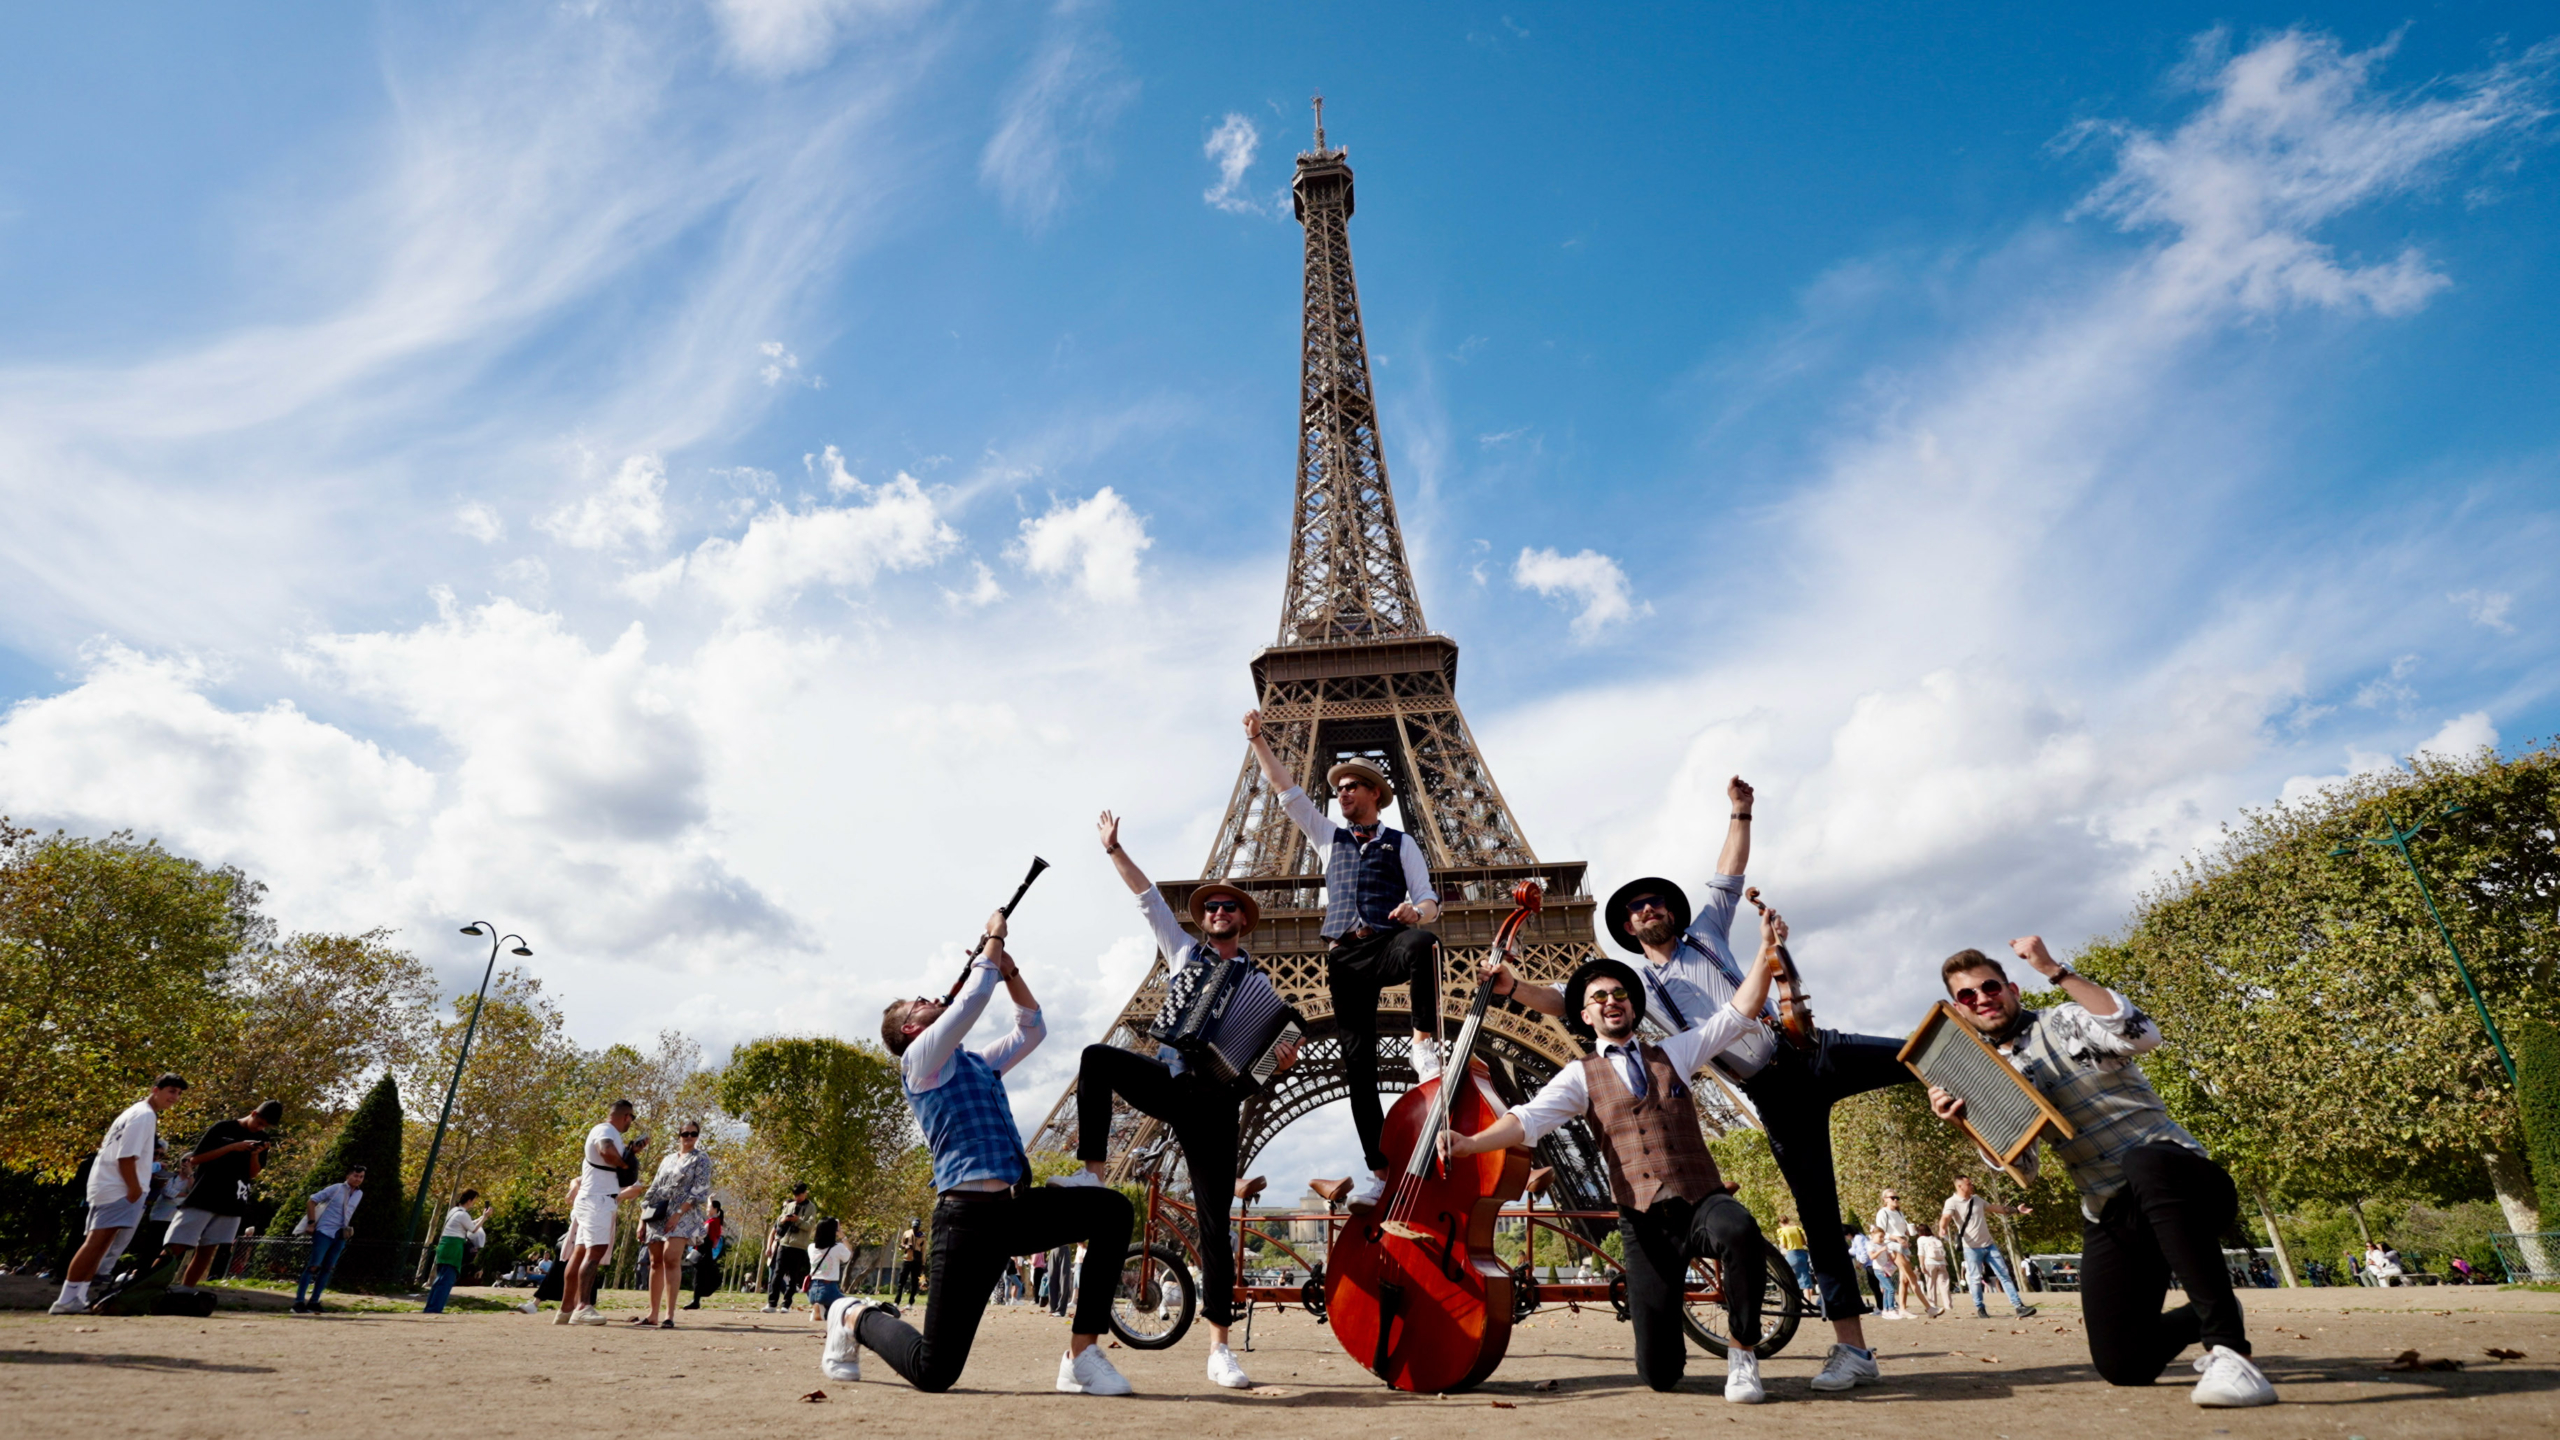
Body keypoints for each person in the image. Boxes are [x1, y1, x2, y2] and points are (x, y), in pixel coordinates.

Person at [1482, 779, 1900, 1392]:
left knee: (1922, 1053)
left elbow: (1727, 873)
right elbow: (1570, 1001)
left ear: (1672, 911)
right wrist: (1514, 989)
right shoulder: (1633, 989)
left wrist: (1741, 811)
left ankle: (2023, 1062)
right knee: (1818, 1211)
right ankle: (1853, 1350)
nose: (1649, 908)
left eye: (1656, 901)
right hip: (1771, 1090)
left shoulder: (1708, 929)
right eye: (1637, 907)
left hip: (1810, 1048)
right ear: (1627, 926)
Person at [1928, 937, 2275, 1407]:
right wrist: (1967, 1125)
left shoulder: (2065, 1020)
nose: (1982, 998)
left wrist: (2055, 970)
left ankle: (2230, 1349)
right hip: (2114, 1214)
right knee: (2123, 1364)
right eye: (1968, 996)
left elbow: (2143, 1035)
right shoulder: (1989, 1075)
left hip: (2184, 1182)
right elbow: (2022, 1169)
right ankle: (2208, 1308)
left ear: (2012, 988)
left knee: (2144, 1161)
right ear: (1959, 1008)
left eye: (1990, 987)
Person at [1442, 937, 1787, 1402]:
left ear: (1632, 1007)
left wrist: (1765, 949)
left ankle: (1742, 1351)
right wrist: (1470, 1144)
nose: (1611, 1001)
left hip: (1698, 1198)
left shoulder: (1675, 1053)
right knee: (1660, 1374)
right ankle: (1667, 1353)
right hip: (1643, 1220)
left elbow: (1737, 1013)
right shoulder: (1578, 1075)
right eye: (1599, 997)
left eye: (1619, 994)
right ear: (1583, 1015)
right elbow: (1527, 1120)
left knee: (1739, 1226)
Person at [822, 907, 1135, 1396]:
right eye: (918, 1003)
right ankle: (854, 1314)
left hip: (1016, 1209)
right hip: (965, 1221)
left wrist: (1007, 967)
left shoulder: (975, 1062)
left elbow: (1033, 1029)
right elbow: (971, 1004)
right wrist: (991, 942)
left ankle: (1081, 1356)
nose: (930, 999)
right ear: (909, 1030)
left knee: (1113, 1210)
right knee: (934, 1371)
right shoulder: (919, 1063)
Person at [1051, 809, 1302, 1390]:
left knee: (1214, 1226)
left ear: (1244, 921)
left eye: (1228, 908)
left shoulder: (1264, 988)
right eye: (1211, 907)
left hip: (1217, 1101)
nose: (1219, 913)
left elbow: (1266, 1058)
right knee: (1096, 1057)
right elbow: (1149, 901)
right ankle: (1093, 1173)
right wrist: (1115, 851)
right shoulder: (1184, 953)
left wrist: (1277, 1062)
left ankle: (1219, 1349)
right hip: (1173, 1081)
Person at [1243, 710, 1441, 1208]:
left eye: (1353, 786)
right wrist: (1259, 741)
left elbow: (1429, 902)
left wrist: (1414, 913)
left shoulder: (1402, 843)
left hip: (1387, 942)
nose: (1344, 793)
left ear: (1375, 793)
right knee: (1358, 1069)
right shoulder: (1327, 837)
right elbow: (1288, 793)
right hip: (1344, 956)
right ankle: (1379, 1173)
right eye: (1340, 788)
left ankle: (1423, 1043)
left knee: (1424, 945)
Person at [51, 1075, 189, 1314]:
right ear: (155, 1089)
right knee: (95, 1242)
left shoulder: (137, 1112)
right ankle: (65, 1299)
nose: (174, 1097)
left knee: (101, 1244)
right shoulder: (144, 1115)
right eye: (171, 1091)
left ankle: (77, 1297)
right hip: (119, 1188)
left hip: (111, 1185)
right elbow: (126, 1156)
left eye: (178, 1093)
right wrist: (135, 1188)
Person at [164, 1100, 283, 1290]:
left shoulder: (262, 1138)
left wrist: (254, 1154)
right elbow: (195, 1159)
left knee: (207, 1250)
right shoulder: (223, 1128)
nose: (260, 1128)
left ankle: (185, 1291)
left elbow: (253, 1174)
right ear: (253, 1113)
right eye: (259, 1123)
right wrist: (231, 1147)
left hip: (232, 1202)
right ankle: (149, 1286)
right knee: (176, 1245)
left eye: (265, 1126)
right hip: (204, 1196)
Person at [558, 1100, 643, 1326]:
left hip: (592, 1198)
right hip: (598, 1200)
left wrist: (631, 1151)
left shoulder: (607, 1132)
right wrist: (625, 1166)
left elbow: (610, 1153)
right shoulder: (605, 1130)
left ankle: (566, 1309)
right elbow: (605, 1150)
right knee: (595, 1252)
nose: (631, 1123)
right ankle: (583, 1307)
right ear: (626, 1116)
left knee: (579, 1253)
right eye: (631, 1118)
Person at [639, 1120, 713, 1328]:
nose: (689, 1137)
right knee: (655, 1262)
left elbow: (700, 1190)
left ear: (698, 1136)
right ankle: (652, 1313)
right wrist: (642, 1219)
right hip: (658, 1212)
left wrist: (678, 1213)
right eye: (685, 1134)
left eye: (693, 1133)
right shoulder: (667, 1159)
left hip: (683, 1213)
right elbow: (654, 1187)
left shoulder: (701, 1159)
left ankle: (669, 1315)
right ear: (679, 1136)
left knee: (671, 1258)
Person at [1939, 1176, 2035, 1318]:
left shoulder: (1977, 1199)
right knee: (1975, 1279)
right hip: (1971, 1248)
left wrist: (2017, 1210)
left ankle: (2018, 1306)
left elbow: (1996, 1208)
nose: (1972, 1185)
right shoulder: (1951, 1202)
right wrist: (1942, 1228)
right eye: (1969, 1184)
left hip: (1989, 1245)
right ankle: (1980, 1307)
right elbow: (1946, 1217)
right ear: (1960, 1186)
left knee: (2004, 1275)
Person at [293, 1165, 367, 1313]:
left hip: (340, 1234)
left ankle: (314, 1301)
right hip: (324, 1231)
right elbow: (311, 1201)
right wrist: (311, 1223)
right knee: (313, 1266)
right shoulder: (336, 1188)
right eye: (355, 1175)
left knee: (328, 1268)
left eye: (361, 1177)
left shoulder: (359, 1194)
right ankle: (298, 1302)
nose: (358, 1179)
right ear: (348, 1176)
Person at [424, 1189, 487, 1314]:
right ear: (469, 1201)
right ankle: (435, 1309)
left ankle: (430, 1307)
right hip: (453, 1246)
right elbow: (473, 1229)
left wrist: (481, 1218)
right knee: (446, 1280)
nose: (474, 1203)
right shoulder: (463, 1215)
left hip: (444, 1245)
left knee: (440, 1279)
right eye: (474, 1201)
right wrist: (485, 1218)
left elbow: (468, 1224)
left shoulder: (454, 1211)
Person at [765, 1183, 815, 1312]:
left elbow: (809, 1226)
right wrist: (784, 1220)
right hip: (784, 1243)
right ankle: (771, 1304)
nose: (797, 1197)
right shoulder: (790, 1205)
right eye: (795, 1195)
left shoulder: (811, 1208)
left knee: (793, 1276)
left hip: (798, 1246)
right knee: (777, 1274)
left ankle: (786, 1304)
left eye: (799, 1194)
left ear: (805, 1193)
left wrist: (797, 1220)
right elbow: (779, 1219)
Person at [807, 1218, 852, 1318]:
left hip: (812, 1290)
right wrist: (843, 1237)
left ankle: (819, 1307)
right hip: (829, 1288)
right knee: (851, 1305)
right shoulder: (838, 1247)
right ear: (834, 1231)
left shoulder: (811, 1247)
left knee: (831, 1308)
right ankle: (823, 1308)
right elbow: (848, 1255)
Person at [686, 1200, 726, 1310]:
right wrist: (709, 1198)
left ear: (715, 1209)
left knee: (699, 1278)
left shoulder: (711, 1222)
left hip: (702, 1252)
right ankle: (696, 1300)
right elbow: (714, 1243)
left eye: (709, 1207)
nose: (707, 1209)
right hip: (706, 1253)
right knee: (702, 1277)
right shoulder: (716, 1222)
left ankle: (696, 1301)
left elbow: (702, 1238)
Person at [1915, 1221, 1954, 1319]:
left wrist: (1921, 1264)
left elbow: (1921, 1253)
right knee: (1944, 1284)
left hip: (1930, 1263)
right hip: (1941, 1263)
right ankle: (1948, 1305)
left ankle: (1933, 1305)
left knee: (1930, 1285)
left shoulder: (1921, 1239)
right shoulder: (1934, 1238)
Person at [1773, 1214, 1814, 1300]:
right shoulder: (1797, 1228)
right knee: (1805, 1278)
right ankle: (1808, 1302)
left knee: (1789, 1278)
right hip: (1802, 1254)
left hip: (1791, 1254)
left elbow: (1784, 1245)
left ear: (1780, 1222)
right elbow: (1804, 1242)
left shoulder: (1782, 1231)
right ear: (1788, 1220)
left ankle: (1793, 1300)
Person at [893, 1221, 924, 1307]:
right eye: (914, 1227)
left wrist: (923, 1263)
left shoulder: (922, 1235)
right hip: (907, 1259)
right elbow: (901, 1245)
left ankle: (910, 1302)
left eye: (917, 1227)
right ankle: (896, 1301)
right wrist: (905, 1246)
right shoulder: (906, 1233)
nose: (915, 1229)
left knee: (914, 1282)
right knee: (901, 1282)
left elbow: (924, 1250)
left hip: (917, 1261)